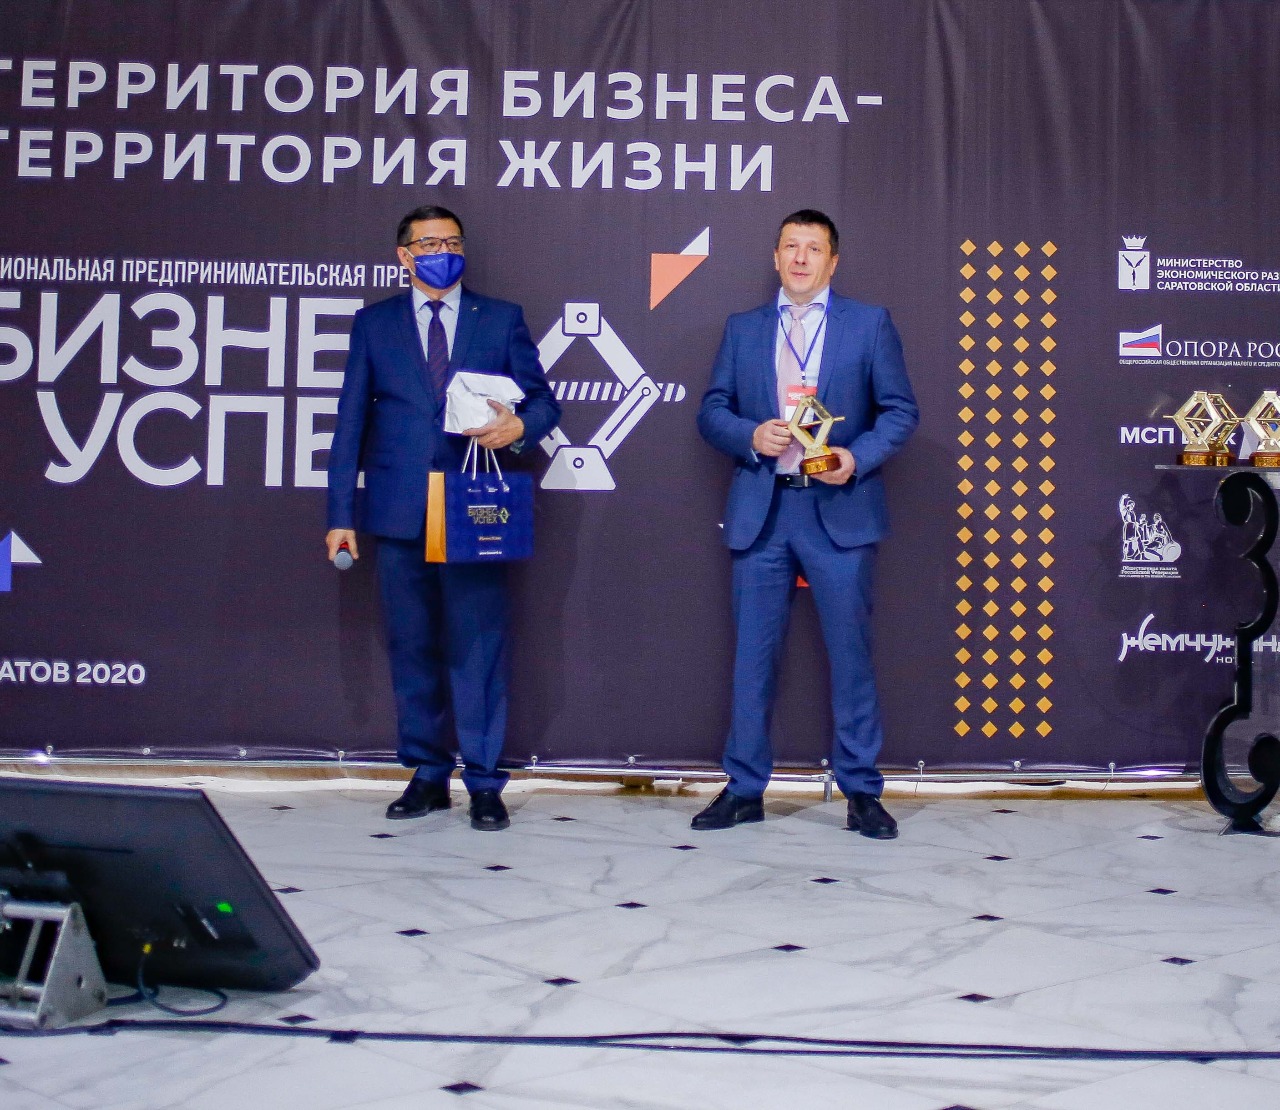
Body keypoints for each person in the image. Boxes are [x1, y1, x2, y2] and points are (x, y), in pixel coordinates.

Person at [326, 204, 560, 831]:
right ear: (404, 255)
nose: (443, 253)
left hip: (473, 510)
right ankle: (427, 774)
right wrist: (341, 512)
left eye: (452, 242)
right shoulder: (374, 323)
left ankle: (484, 782)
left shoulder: (500, 318)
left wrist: (517, 428)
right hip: (398, 509)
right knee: (412, 647)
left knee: (478, 649)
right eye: (429, 244)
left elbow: (543, 403)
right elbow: (350, 421)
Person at [694, 209, 919, 839]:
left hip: (838, 511)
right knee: (752, 659)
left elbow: (900, 411)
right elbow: (712, 410)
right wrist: (749, 435)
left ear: (833, 261)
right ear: (775, 257)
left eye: (813, 248)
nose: (800, 258)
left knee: (851, 657)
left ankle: (862, 792)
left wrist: (855, 459)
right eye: (790, 247)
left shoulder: (869, 324)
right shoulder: (742, 329)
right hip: (763, 510)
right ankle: (744, 789)